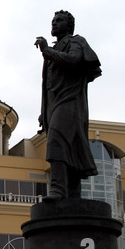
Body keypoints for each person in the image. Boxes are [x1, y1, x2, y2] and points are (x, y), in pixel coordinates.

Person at [34, 10, 102, 202]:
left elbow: (74, 60)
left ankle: (57, 189)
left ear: (69, 25)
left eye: (59, 20)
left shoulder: (76, 41)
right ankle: (72, 194)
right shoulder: (55, 49)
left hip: (70, 102)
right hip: (54, 104)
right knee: (70, 146)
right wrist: (43, 110)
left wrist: (47, 51)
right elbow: (48, 86)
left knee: (58, 139)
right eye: (53, 20)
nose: (54, 23)